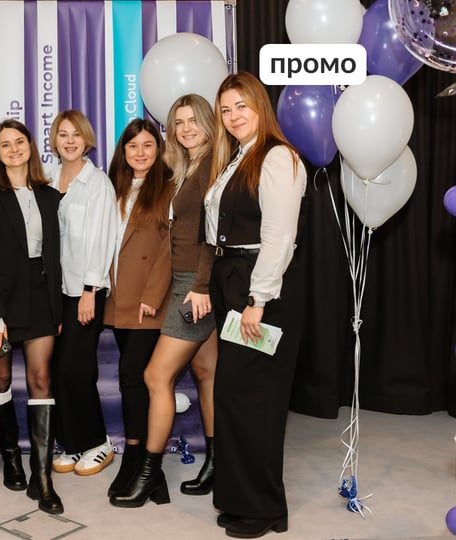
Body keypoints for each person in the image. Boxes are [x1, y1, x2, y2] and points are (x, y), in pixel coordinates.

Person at [204, 71, 306, 538]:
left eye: (241, 106)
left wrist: (258, 299)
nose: (233, 116)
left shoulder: (278, 156)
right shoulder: (238, 157)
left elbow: (279, 236)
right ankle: (240, 498)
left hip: (260, 287)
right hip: (233, 280)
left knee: (257, 399)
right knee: (235, 395)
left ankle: (266, 510)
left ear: (260, 106)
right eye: (225, 110)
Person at [0, 119, 64, 514]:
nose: (13, 149)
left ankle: (42, 478)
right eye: (4, 144)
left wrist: (57, 306)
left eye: (19, 141)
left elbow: (56, 257)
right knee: (2, 378)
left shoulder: (50, 196)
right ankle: (10, 458)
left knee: (41, 379)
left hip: (41, 299)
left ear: (30, 146)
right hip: (1, 303)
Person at [136, 94, 220, 503]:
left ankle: (149, 474)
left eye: (193, 120)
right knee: (206, 373)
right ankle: (218, 463)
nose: (186, 129)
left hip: (196, 286)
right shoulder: (191, 166)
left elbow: (213, 232)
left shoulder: (212, 165)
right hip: (189, 281)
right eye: (178, 123)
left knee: (156, 377)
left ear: (209, 122)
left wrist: (200, 286)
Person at [102, 119, 175, 508]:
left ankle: (138, 459)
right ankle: (148, 471)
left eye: (148, 145)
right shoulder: (113, 187)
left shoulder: (168, 189)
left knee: (133, 375)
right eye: (133, 146)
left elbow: (170, 247)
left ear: (158, 150)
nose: (140, 152)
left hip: (148, 300)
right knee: (133, 381)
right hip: (117, 299)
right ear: (123, 151)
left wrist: (154, 294)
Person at [45, 110, 117, 477]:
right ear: (54, 140)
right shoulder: (46, 178)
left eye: (76, 134)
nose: (70, 140)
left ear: (86, 139)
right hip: (53, 292)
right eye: (63, 134)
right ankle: (71, 443)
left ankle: (98, 442)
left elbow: (102, 239)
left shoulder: (97, 182)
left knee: (77, 369)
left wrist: (90, 289)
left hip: (84, 290)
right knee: (58, 370)